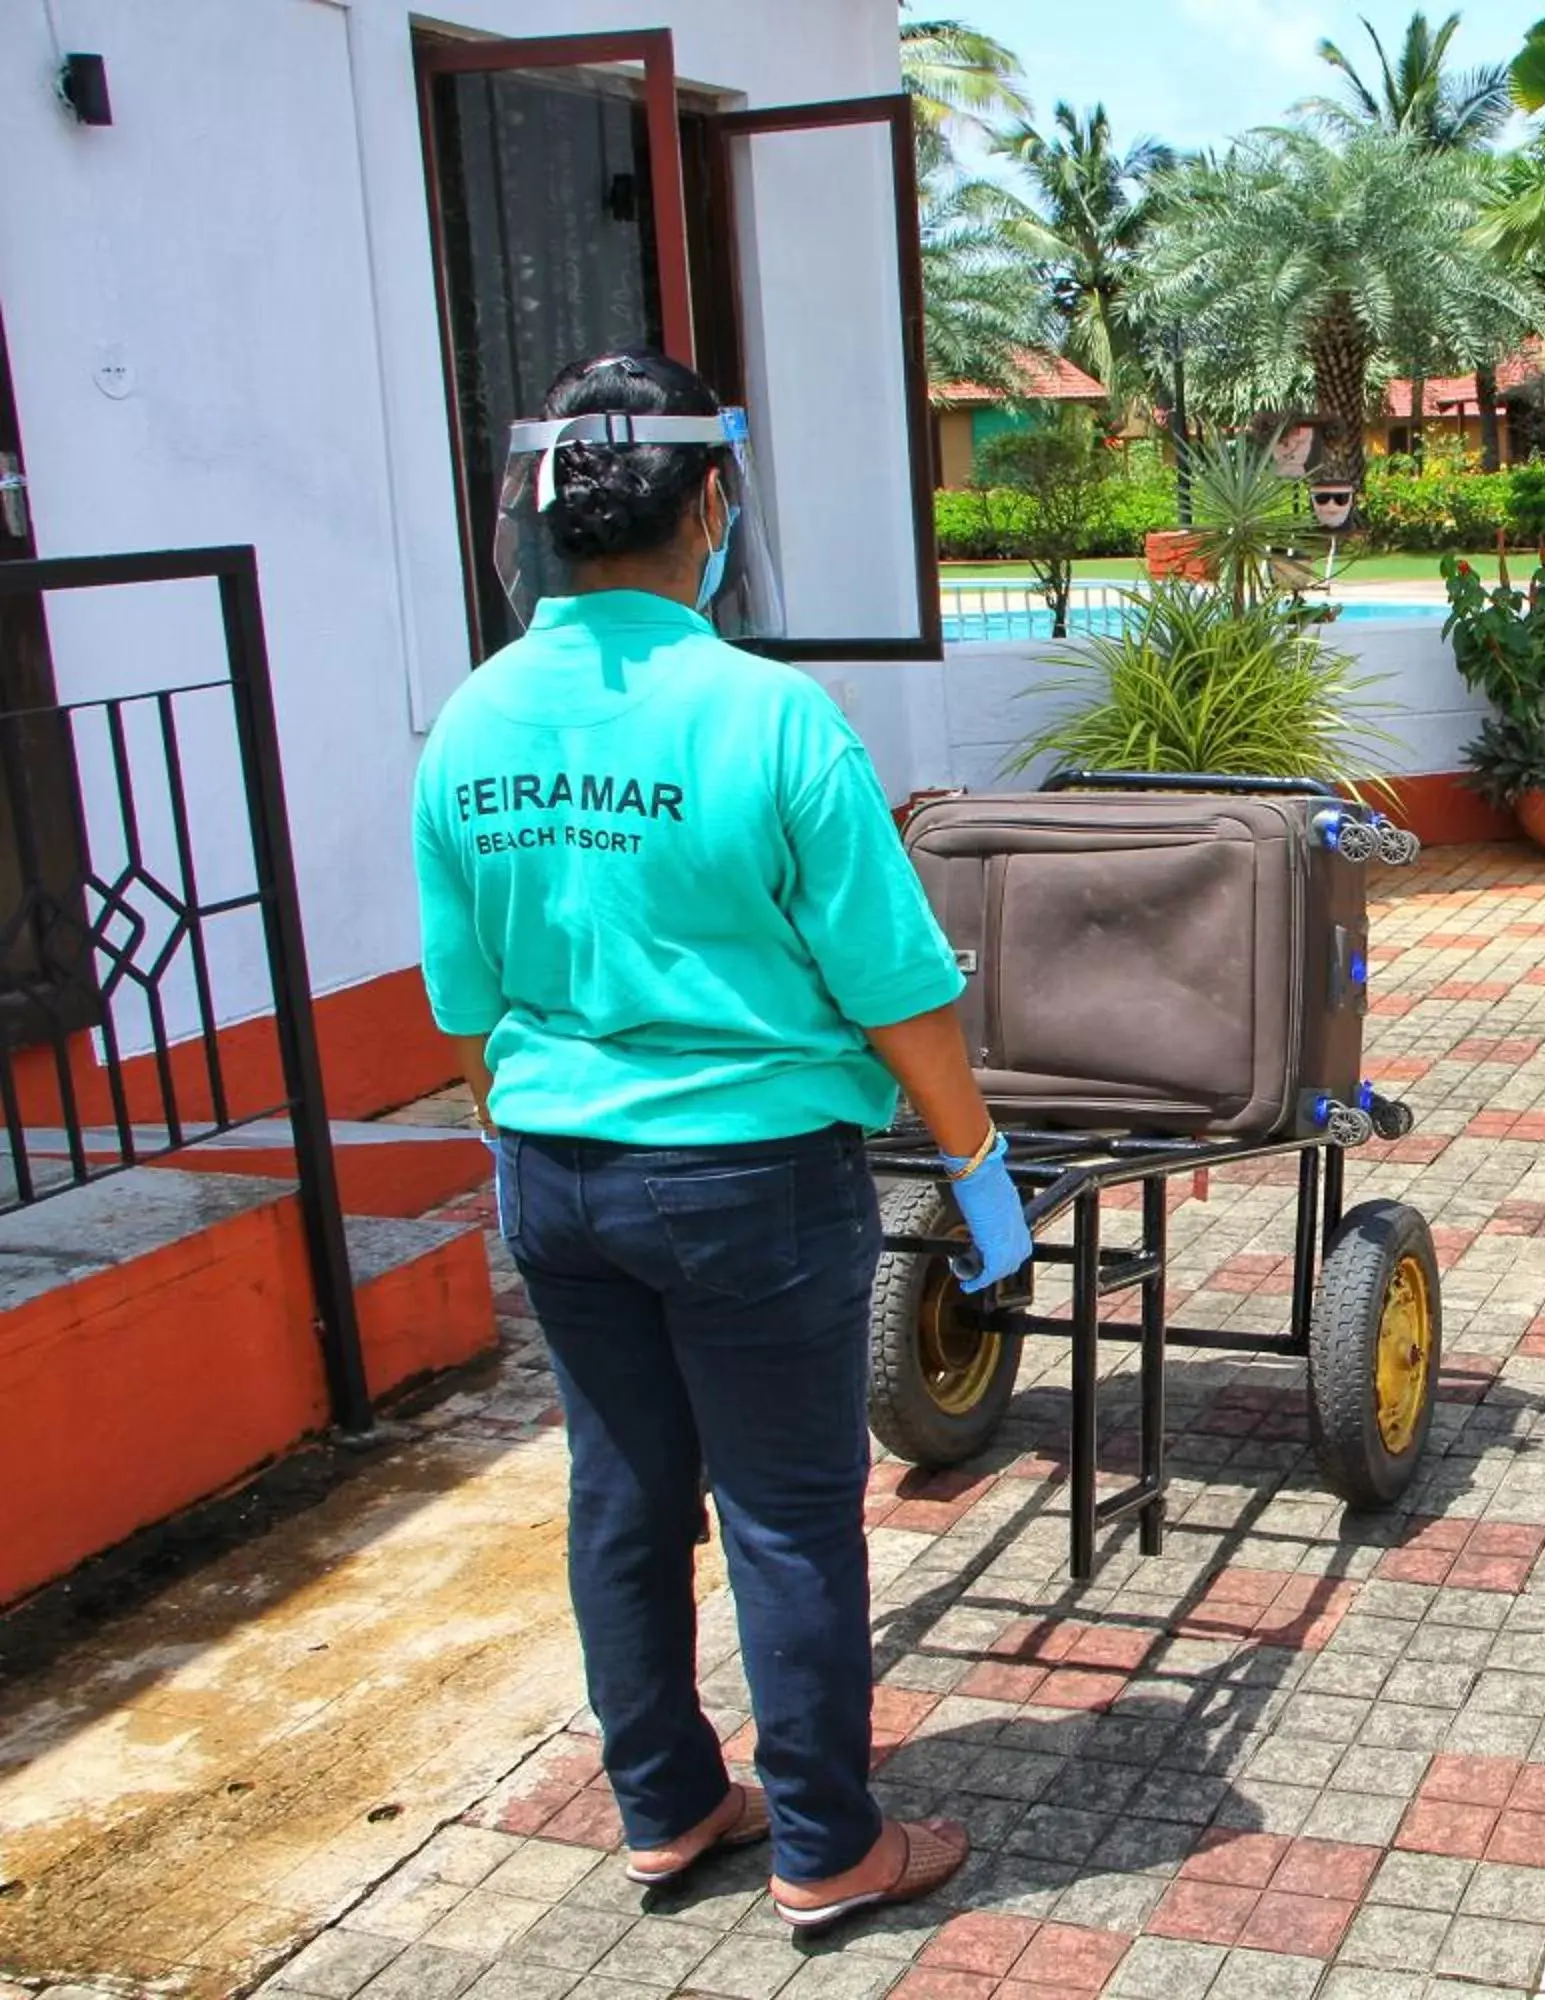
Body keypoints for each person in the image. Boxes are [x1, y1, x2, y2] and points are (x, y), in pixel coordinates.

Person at [412, 350, 1030, 1932]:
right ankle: (828, 1842)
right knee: (786, 1515)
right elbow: (896, 991)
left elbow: (465, 1005)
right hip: (751, 1181)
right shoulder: (772, 718)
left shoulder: (470, 721)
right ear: (711, 506)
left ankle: (671, 1809)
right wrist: (976, 1164)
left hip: (555, 1175)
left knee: (623, 1501)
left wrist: (532, 1147)